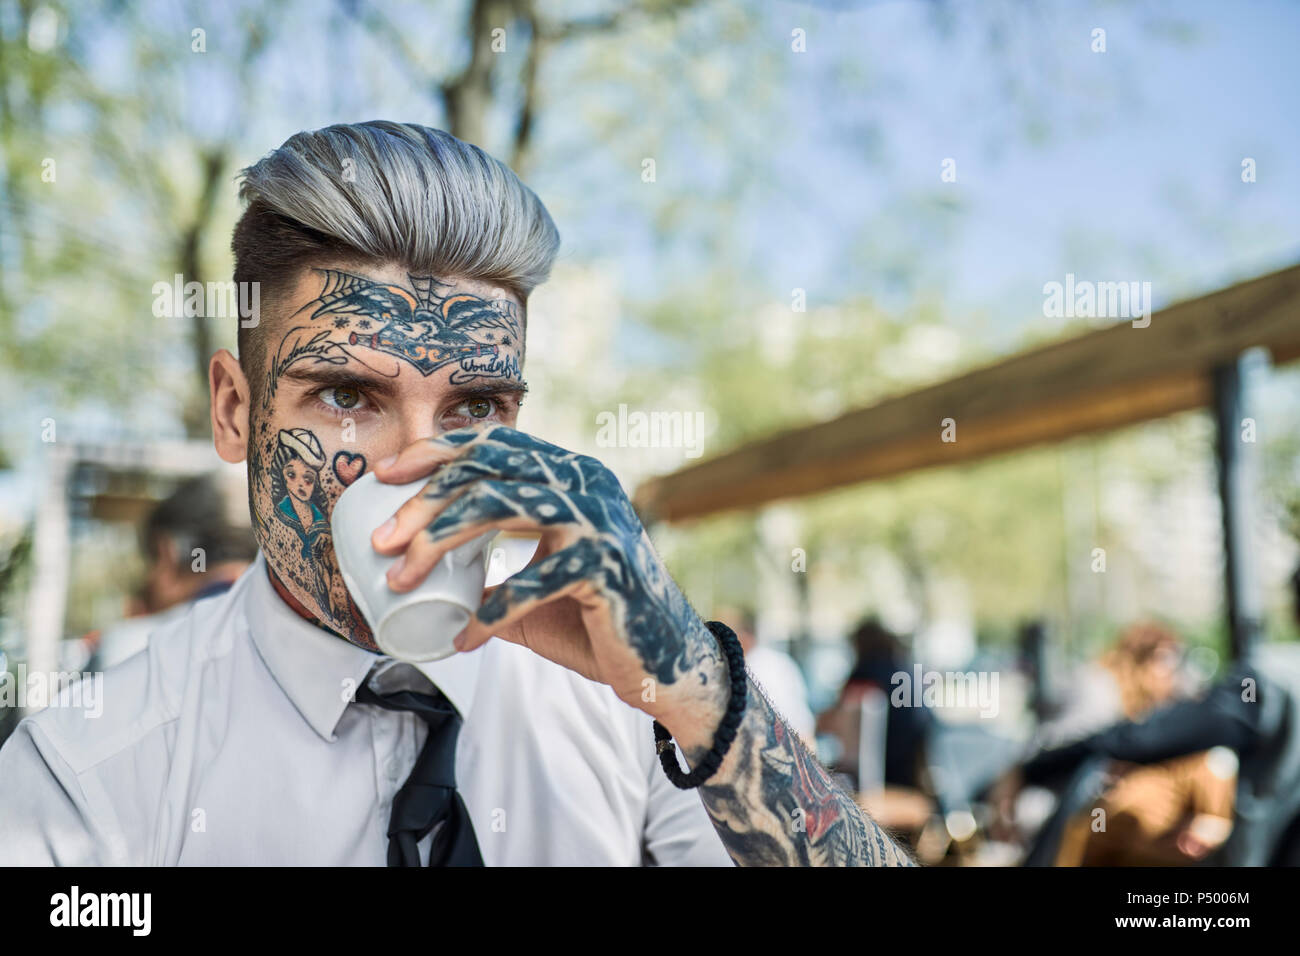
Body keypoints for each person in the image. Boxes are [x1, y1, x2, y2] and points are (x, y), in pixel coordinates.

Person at [0, 122, 913, 866]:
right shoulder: (89, 774)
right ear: (236, 411)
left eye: (476, 406)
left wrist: (698, 694)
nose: (420, 465)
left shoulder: (619, 708)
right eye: (349, 397)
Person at [91, 474, 257, 671]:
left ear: (167, 554)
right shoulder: (289, 647)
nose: (147, 581)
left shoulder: (128, 653)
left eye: (151, 560)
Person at [816, 617, 931, 791]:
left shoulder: (868, 670)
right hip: (910, 768)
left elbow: (837, 718)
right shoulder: (904, 668)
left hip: (883, 770)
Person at [720, 606, 816, 750]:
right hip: (802, 745)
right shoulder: (780, 660)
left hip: (780, 749)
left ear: (744, 636)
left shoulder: (750, 668)